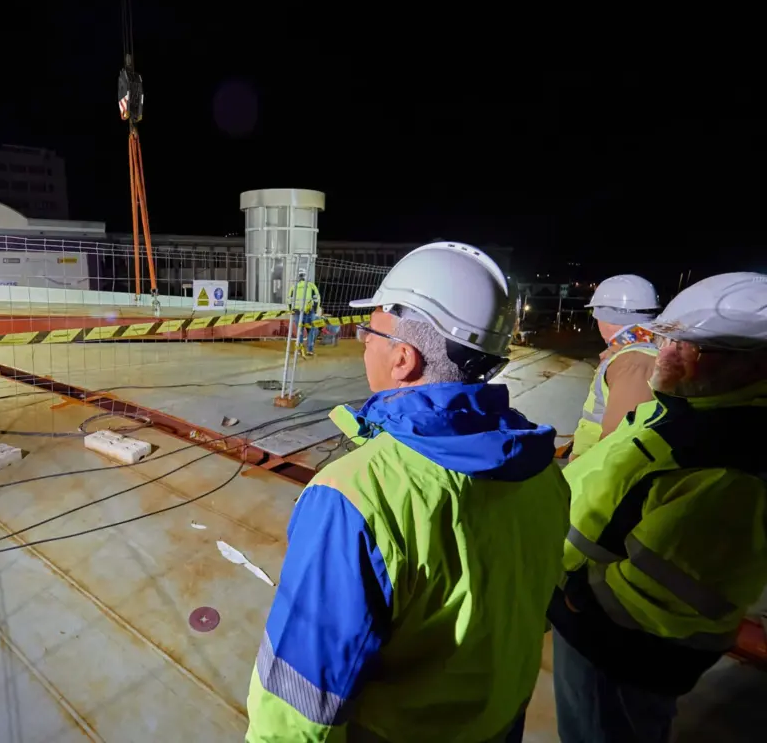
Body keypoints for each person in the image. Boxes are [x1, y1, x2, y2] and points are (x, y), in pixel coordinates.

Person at [246, 242, 570, 742]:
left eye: (368, 331)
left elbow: (300, 700)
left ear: (403, 358)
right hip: (497, 723)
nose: (361, 342)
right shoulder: (541, 470)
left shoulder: (355, 496)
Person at [549, 272, 767, 743]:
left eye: (690, 348)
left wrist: (571, 598)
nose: (665, 354)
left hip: (616, 650)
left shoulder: (726, 461)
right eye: (670, 339)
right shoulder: (687, 410)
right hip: (602, 632)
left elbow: (663, 592)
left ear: (752, 365)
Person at [570, 274, 661, 460]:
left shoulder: (634, 362)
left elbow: (620, 448)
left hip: (595, 473)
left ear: (606, 317)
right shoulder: (635, 351)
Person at [287, 267, 321, 357]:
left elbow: (289, 300)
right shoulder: (311, 286)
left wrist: (291, 310)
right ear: (305, 276)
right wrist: (315, 309)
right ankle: (310, 350)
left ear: (297, 276)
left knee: (300, 332)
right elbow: (317, 298)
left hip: (298, 313)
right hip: (310, 313)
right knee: (311, 331)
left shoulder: (294, 287)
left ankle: (299, 351)